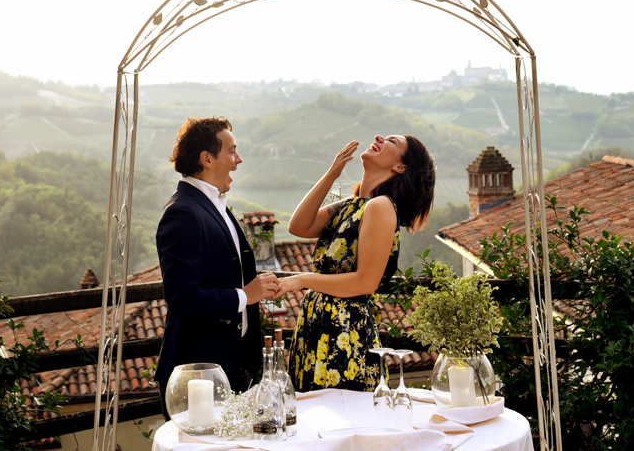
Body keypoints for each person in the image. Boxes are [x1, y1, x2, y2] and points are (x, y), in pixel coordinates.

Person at [277, 133, 436, 391]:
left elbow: (366, 282)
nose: (379, 137)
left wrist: (302, 280)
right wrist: (331, 175)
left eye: (392, 142)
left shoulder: (381, 207)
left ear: (399, 167)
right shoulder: (352, 205)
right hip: (316, 327)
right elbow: (298, 226)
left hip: (344, 335)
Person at [155, 116, 280, 416]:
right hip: (198, 376)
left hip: (233, 370)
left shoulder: (214, 206)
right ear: (206, 158)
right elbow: (184, 299)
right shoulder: (182, 213)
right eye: (232, 151)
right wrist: (247, 295)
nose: (239, 160)